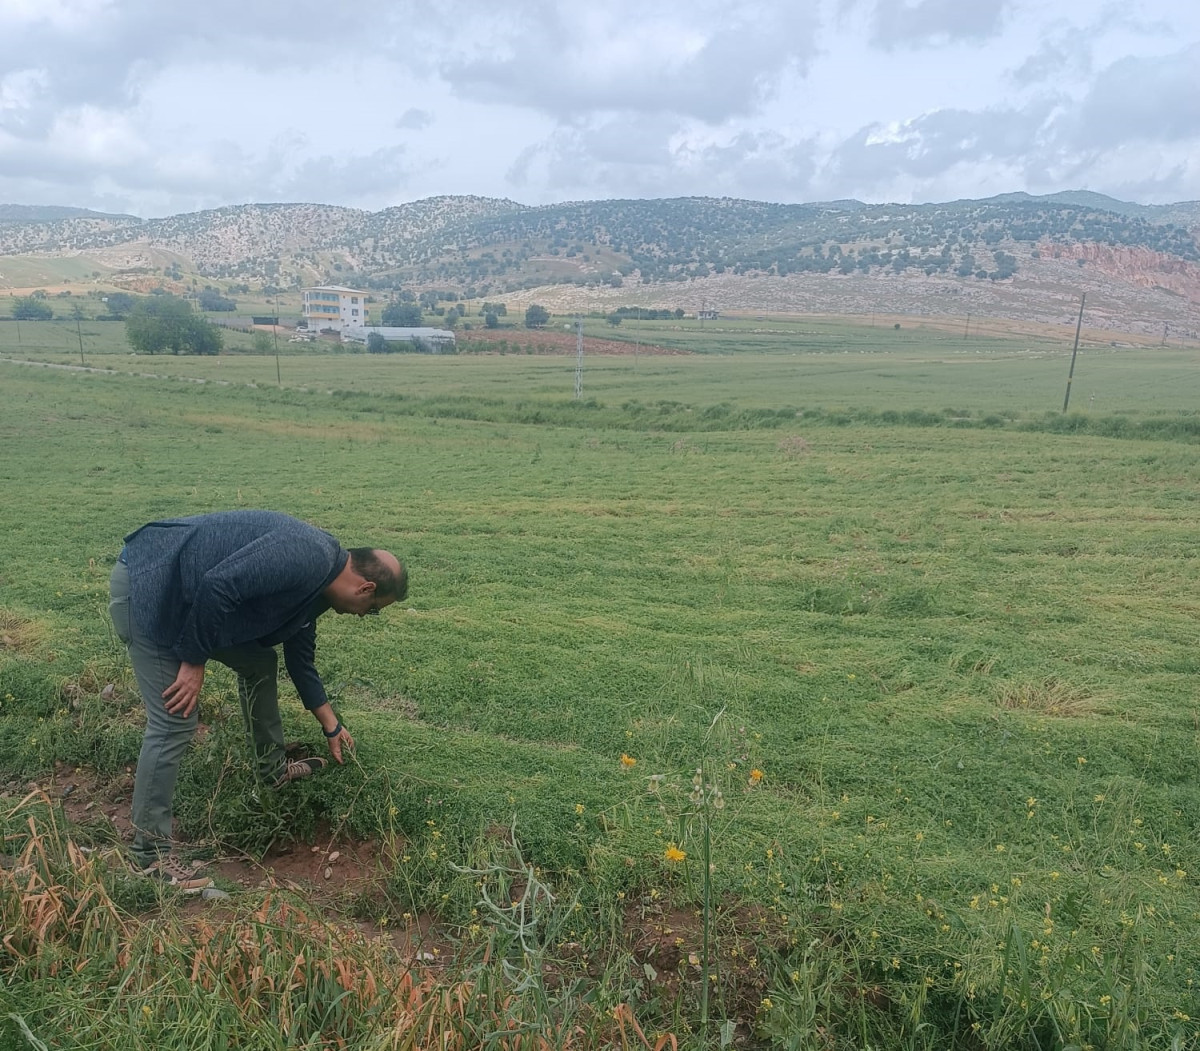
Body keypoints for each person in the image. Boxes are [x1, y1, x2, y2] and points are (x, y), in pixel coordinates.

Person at [107, 510, 407, 891]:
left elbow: (301, 660)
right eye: (374, 610)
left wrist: (331, 725)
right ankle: (149, 859)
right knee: (174, 721)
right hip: (151, 590)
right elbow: (218, 586)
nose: (367, 615)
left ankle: (273, 772)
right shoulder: (307, 557)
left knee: (260, 662)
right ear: (366, 589)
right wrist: (194, 660)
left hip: (189, 602)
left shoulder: (319, 585)